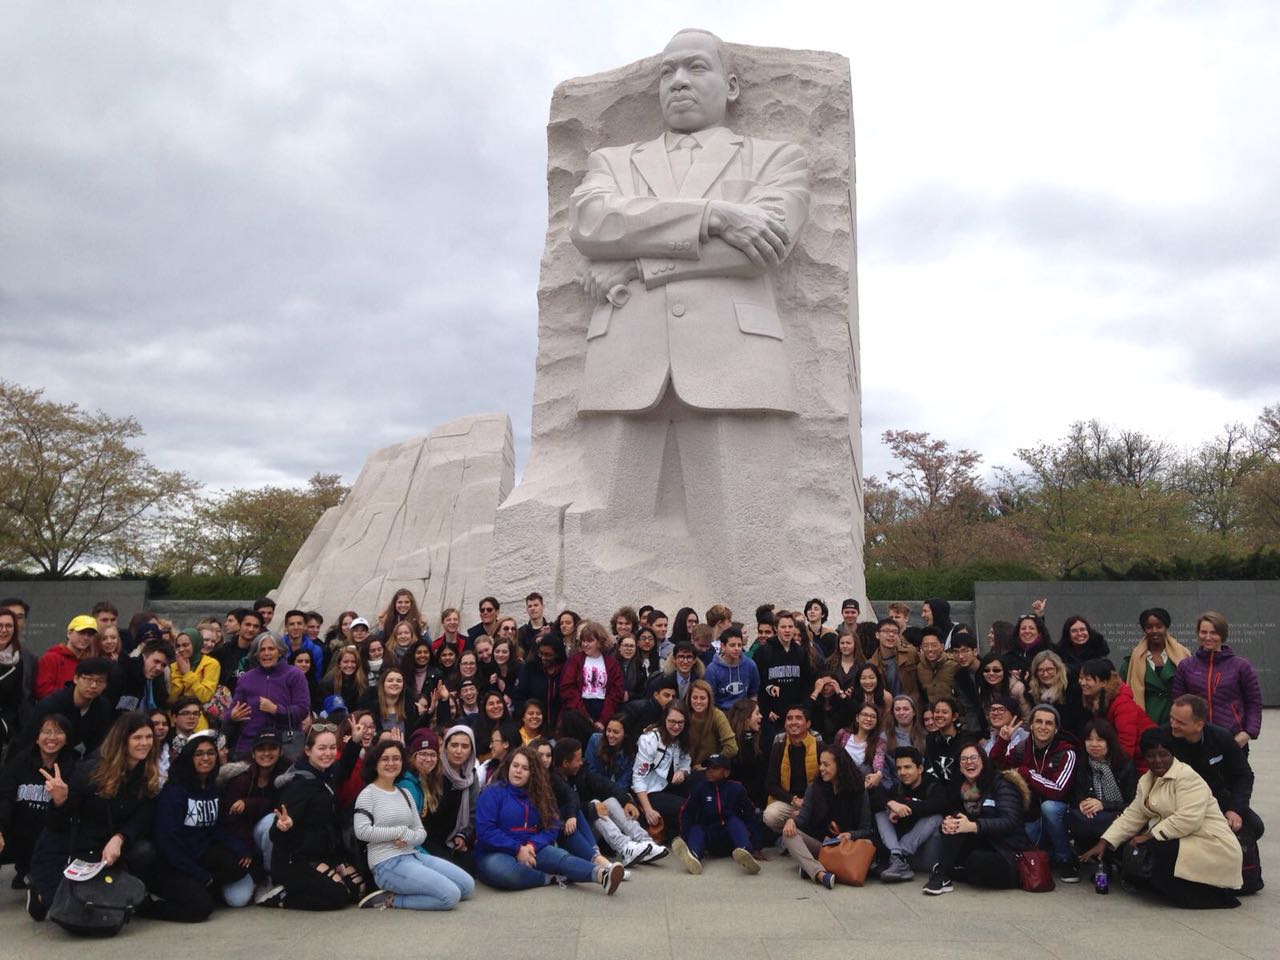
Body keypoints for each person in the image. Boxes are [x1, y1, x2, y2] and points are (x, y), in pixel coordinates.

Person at [1080, 727, 1243, 909]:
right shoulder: (1147, 780)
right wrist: (1105, 842)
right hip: (1182, 838)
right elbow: (1133, 815)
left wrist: (1148, 836)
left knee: (1155, 847)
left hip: (1210, 843)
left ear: (1172, 754)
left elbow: (1187, 819)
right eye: (1151, 756)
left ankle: (1208, 895)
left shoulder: (1187, 777)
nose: (1157, 761)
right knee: (1131, 845)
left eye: (1163, 755)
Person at [27, 711, 161, 920]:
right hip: (71, 847)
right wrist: (60, 801)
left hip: (108, 847)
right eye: (137, 737)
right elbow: (56, 824)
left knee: (144, 851)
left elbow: (142, 816)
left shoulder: (147, 771)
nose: (144, 743)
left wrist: (120, 838)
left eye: (148, 737)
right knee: (70, 914)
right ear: (122, 740)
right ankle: (39, 892)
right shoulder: (91, 770)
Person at [474, 746, 624, 893]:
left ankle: (602, 875)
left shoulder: (540, 795)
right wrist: (518, 849)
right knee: (507, 873)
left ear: (533, 773)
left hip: (532, 848)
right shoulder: (492, 793)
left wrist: (532, 846)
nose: (518, 771)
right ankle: (549, 878)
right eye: (515, 765)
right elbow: (485, 831)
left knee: (561, 858)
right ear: (508, 767)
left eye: (525, 768)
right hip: (495, 852)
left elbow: (552, 826)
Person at [353, 739, 474, 911]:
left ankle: (410, 889)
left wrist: (409, 837)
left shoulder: (404, 793)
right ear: (375, 763)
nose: (391, 763)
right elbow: (361, 831)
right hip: (386, 863)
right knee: (450, 896)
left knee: (467, 886)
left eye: (396, 758)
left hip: (413, 855)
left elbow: (420, 832)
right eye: (385, 759)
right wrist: (398, 832)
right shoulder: (368, 794)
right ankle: (391, 900)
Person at [144, 733, 254, 920]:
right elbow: (168, 841)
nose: (206, 758)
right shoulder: (175, 791)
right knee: (201, 909)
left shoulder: (212, 788)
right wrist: (199, 875)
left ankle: (202, 887)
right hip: (173, 863)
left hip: (201, 854)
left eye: (211, 753)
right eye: (199, 754)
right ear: (189, 757)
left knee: (239, 865)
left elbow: (216, 828)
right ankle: (148, 905)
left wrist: (240, 848)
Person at [265, 724, 366, 910]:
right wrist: (283, 827)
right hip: (295, 859)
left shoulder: (325, 774)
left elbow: (343, 767)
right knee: (338, 895)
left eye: (332, 748)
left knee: (357, 889)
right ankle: (282, 896)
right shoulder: (298, 784)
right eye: (321, 748)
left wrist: (354, 742)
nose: (328, 753)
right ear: (308, 751)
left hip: (323, 853)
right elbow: (275, 834)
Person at [922, 741, 1031, 895]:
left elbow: (1010, 821)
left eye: (974, 758)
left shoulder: (1001, 783)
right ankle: (943, 874)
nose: (969, 762)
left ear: (983, 761)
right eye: (964, 759)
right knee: (956, 823)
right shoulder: (959, 789)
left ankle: (948, 871)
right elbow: (956, 816)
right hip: (982, 843)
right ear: (959, 766)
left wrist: (974, 826)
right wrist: (946, 825)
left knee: (977, 861)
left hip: (1008, 851)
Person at [989, 703, 1080, 883]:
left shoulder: (1067, 752)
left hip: (1060, 813)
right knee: (1024, 850)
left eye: (1049, 723)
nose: (1043, 727)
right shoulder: (1023, 747)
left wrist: (1028, 774)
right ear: (1031, 725)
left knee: (1049, 808)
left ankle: (1066, 859)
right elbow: (996, 765)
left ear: (1056, 729)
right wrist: (1003, 741)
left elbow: (1058, 790)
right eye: (1038, 722)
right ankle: (1051, 854)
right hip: (1031, 815)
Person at [553, 737, 664, 866]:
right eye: (577, 760)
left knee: (610, 801)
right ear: (565, 763)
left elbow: (604, 784)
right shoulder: (553, 782)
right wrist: (590, 809)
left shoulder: (580, 772)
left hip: (590, 827)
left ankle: (645, 841)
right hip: (572, 834)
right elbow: (563, 809)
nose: (581, 763)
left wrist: (626, 801)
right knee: (595, 806)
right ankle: (624, 848)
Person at [1169, 695, 1265, 840]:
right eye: (1171, 718)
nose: (1173, 725)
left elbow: (1244, 775)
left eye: (1180, 722)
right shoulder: (1163, 741)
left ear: (1199, 725)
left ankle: (1235, 852)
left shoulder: (1221, 737)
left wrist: (1235, 809)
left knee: (1254, 826)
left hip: (1215, 796)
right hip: (1178, 801)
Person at [0, 713, 76, 889]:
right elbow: (5, 798)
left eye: (59, 732)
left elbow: (69, 818)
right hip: (17, 834)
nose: (52, 737)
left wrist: (61, 801)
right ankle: (24, 871)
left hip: (51, 838)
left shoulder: (74, 768)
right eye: (46, 732)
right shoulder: (19, 763)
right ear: (36, 737)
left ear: (67, 739)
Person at [780, 745, 871, 889]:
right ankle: (820, 874)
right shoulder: (814, 787)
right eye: (820, 764)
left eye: (826, 764)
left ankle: (811, 866)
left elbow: (866, 829)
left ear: (840, 765)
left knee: (868, 844)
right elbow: (802, 820)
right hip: (822, 845)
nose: (821, 768)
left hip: (848, 847)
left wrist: (850, 834)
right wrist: (791, 821)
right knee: (788, 834)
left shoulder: (858, 789)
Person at [1171, 612, 1262, 750]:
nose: (1208, 637)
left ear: (1222, 634)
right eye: (1203, 632)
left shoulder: (1241, 666)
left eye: (1214, 633)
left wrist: (1248, 733)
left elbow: (1254, 702)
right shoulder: (1186, 666)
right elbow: (1178, 701)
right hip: (1195, 740)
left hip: (1233, 740)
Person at [219, 730, 288, 892]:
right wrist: (245, 850)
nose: (266, 753)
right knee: (237, 899)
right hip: (243, 843)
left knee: (273, 820)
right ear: (253, 753)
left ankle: (271, 876)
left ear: (280, 751)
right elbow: (231, 821)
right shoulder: (240, 778)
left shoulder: (286, 775)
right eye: (261, 749)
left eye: (272, 748)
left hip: (271, 840)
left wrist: (249, 803)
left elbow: (279, 808)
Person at [672, 753, 760, 876]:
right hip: (710, 837)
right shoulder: (700, 789)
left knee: (735, 821)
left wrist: (756, 845)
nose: (710, 771)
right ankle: (693, 856)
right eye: (708, 768)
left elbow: (750, 813)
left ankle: (746, 852)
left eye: (715, 768)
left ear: (726, 772)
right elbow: (687, 813)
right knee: (697, 828)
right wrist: (685, 837)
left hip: (731, 839)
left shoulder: (736, 788)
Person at [228, 636, 310, 759]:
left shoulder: (295, 675)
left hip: (285, 742)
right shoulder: (245, 679)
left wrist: (276, 709)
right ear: (256, 654)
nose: (266, 653)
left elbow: (302, 710)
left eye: (271, 649)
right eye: (262, 650)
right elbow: (229, 713)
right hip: (250, 743)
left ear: (280, 652)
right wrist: (232, 715)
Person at [1064, 718, 1137, 855]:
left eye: (1100, 740)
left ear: (1109, 741)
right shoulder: (1081, 763)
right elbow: (1074, 795)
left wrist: (1103, 804)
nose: (1094, 744)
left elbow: (1134, 804)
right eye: (1089, 739)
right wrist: (1082, 803)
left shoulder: (1124, 764)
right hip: (1092, 819)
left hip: (1119, 816)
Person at [873, 746, 946, 882]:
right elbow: (877, 797)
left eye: (907, 767)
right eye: (899, 768)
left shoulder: (933, 786)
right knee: (881, 813)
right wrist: (892, 804)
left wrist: (903, 807)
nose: (902, 772)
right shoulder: (898, 788)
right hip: (903, 858)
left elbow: (939, 805)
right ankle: (897, 856)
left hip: (927, 857)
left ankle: (899, 857)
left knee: (936, 817)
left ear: (920, 769)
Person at [29, 657, 114, 759]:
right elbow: (30, 741)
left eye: (100, 681)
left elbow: (99, 742)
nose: (93, 685)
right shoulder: (51, 705)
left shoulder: (103, 707)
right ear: (76, 679)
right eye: (88, 679)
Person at [1077, 659, 1155, 769]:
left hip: (1143, 760)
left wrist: (1118, 771)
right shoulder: (1094, 700)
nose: (1082, 683)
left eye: (1088, 679)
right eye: (1081, 678)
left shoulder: (1123, 704)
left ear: (1104, 683)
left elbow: (1126, 744)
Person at [632, 701, 693, 841]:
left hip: (672, 785)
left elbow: (686, 761)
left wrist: (683, 772)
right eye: (672, 722)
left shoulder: (683, 738)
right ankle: (684, 839)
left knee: (699, 785)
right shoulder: (650, 740)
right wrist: (648, 810)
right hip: (651, 791)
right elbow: (638, 777)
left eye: (680, 723)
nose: (676, 726)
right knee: (686, 807)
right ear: (664, 719)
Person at [1121, 608, 1191, 725]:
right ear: (1144, 629)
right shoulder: (1132, 660)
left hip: (1176, 716)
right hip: (1146, 716)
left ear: (1166, 627)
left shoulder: (1184, 655)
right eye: (1149, 627)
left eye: (1159, 626)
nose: (1154, 631)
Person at [752, 611, 815, 733]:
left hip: (795, 715)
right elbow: (758, 684)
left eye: (790, 627)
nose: (787, 630)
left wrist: (802, 709)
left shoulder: (800, 652)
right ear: (776, 629)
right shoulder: (763, 652)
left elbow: (806, 684)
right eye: (783, 627)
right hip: (772, 716)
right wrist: (765, 710)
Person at [762, 704, 821, 835]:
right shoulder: (779, 747)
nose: (793, 722)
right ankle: (791, 834)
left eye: (798, 718)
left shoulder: (820, 747)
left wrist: (806, 805)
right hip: (789, 801)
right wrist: (794, 800)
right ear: (785, 724)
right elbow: (771, 784)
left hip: (814, 801)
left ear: (808, 724)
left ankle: (799, 836)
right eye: (789, 718)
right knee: (770, 815)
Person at [559, 621, 624, 730]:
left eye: (589, 641)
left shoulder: (612, 663)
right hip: (578, 709)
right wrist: (584, 717)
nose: (585, 644)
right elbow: (567, 687)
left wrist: (603, 720)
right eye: (583, 641)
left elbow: (616, 691)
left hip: (603, 708)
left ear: (600, 642)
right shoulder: (575, 660)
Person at [0, 607, 38, 755]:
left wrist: (4, 727)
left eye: (9, 626)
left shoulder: (17, 661)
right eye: (0, 625)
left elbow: (14, 701)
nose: (4, 630)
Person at [34, 614, 98, 700]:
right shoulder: (50, 658)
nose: (86, 637)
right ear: (69, 633)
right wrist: (73, 696)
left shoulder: (90, 662)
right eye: (81, 633)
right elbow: (42, 690)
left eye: (90, 634)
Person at [168, 629, 220, 725]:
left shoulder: (211, 664)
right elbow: (171, 698)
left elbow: (204, 696)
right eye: (178, 646)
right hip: (175, 721)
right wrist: (179, 672)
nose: (181, 649)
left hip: (198, 722)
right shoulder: (174, 666)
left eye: (185, 645)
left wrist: (187, 674)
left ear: (196, 644)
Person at [684, 678, 737, 769]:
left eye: (703, 698)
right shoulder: (684, 715)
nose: (698, 702)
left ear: (709, 699)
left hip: (710, 769)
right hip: (685, 766)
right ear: (689, 699)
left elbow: (732, 748)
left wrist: (709, 764)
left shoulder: (717, 716)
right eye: (695, 698)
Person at [726, 697, 768, 809]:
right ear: (746, 717)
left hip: (758, 802)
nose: (761, 716)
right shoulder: (729, 742)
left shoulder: (763, 739)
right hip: (733, 800)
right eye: (757, 713)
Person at [704, 625, 759, 711]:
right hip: (722, 713)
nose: (737, 649)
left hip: (744, 713)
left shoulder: (750, 665)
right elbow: (711, 700)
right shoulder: (712, 670)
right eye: (732, 645)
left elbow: (753, 694)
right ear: (723, 646)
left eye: (739, 645)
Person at [866, 617, 920, 702]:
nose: (891, 635)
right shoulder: (871, 664)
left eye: (895, 632)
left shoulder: (910, 654)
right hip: (886, 706)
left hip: (911, 704)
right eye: (886, 631)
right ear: (877, 635)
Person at [1054, 615, 1111, 679]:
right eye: (1074, 631)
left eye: (1082, 629)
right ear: (1068, 634)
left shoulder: (1099, 651)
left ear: (1088, 631)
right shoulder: (1059, 654)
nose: (1079, 634)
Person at [916, 628, 957, 706]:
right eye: (925, 646)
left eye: (934, 645)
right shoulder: (920, 668)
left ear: (942, 646)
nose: (930, 649)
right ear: (921, 647)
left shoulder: (954, 665)